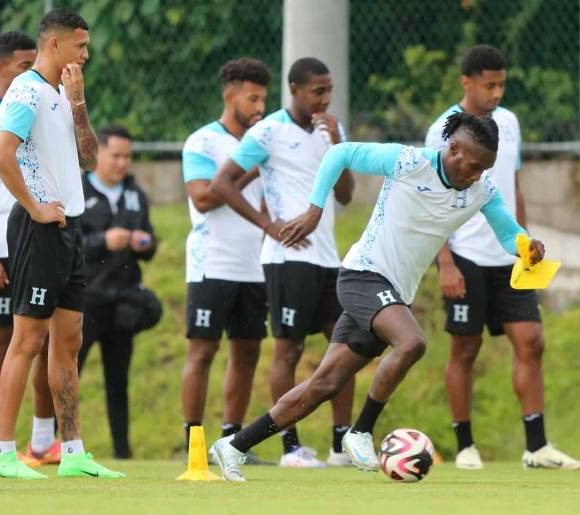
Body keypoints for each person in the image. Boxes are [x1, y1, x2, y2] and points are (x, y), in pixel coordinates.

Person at [213, 112, 543, 482]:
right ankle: (361, 431)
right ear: (453, 149)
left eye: (486, 168)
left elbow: (507, 233)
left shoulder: (482, 190)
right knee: (412, 342)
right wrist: (314, 208)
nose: (479, 174)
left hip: (394, 293)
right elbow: (339, 153)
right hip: (363, 275)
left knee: (324, 384)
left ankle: (235, 445)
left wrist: (526, 246)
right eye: (475, 165)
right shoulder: (408, 162)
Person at [428, 45, 578, 470]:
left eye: (501, 85)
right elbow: (431, 201)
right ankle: (465, 447)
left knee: (531, 341)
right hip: (466, 256)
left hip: (510, 257)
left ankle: (537, 447)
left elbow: (515, 188)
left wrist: (525, 244)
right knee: (466, 347)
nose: (496, 93)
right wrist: (445, 262)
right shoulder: (444, 128)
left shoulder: (509, 122)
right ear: (467, 82)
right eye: (489, 85)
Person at [0, 8, 123, 479]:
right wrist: (33, 206)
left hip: (71, 227)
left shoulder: (64, 93)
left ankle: (72, 454)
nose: (86, 54)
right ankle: (3, 454)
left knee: (69, 341)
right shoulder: (26, 90)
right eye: (80, 46)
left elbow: (89, 159)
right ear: (55, 45)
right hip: (39, 229)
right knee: (26, 339)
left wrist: (79, 103)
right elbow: (1, 153)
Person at [210, 57, 355, 467]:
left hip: (328, 258)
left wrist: (337, 141)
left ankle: (341, 446)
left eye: (329, 91)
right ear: (295, 90)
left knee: (347, 347)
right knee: (289, 351)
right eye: (317, 91)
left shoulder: (332, 132)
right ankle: (290, 447)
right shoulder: (269, 130)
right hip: (288, 258)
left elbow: (345, 195)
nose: (325, 99)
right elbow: (222, 183)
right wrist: (269, 226)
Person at [0, 31, 62, 467]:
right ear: (0, 66)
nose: (31, 71)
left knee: (44, 338)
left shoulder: (37, 105)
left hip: (31, 239)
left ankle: (43, 440)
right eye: (24, 65)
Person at [179, 58, 270, 463]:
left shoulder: (263, 143)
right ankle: (194, 445)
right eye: (252, 99)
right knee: (202, 351)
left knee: (247, 353)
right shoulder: (202, 142)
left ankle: (231, 444)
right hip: (211, 262)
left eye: (263, 99)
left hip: (255, 265)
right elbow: (202, 197)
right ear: (230, 95)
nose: (259, 108)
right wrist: (249, 170)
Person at [78, 125, 157, 459]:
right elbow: (67, 244)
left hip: (122, 303)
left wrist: (145, 243)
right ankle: (50, 444)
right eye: (116, 156)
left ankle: (122, 452)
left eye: (128, 156)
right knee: (67, 375)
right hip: (84, 302)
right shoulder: (77, 190)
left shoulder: (135, 194)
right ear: (98, 153)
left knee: (118, 382)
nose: (123, 163)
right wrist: (102, 241)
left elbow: (151, 244)